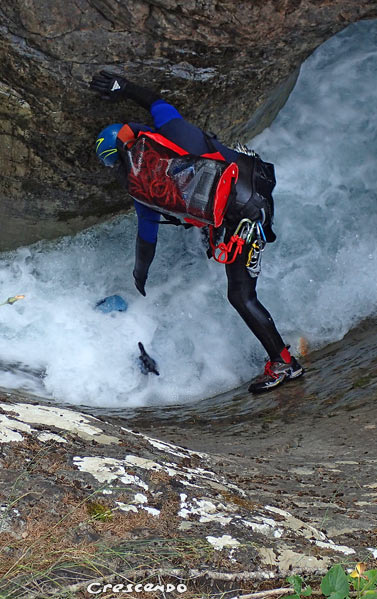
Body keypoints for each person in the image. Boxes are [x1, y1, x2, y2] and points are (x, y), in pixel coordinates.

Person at [89, 70, 303, 392]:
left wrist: (140, 275)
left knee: (241, 296)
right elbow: (156, 102)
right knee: (215, 236)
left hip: (242, 224)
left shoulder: (142, 188)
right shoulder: (172, 129)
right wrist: (124, 87)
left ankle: (285, 363)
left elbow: (147, 239)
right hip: (255, 186)